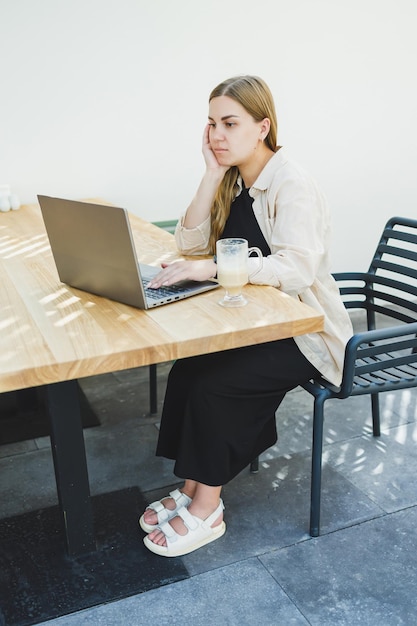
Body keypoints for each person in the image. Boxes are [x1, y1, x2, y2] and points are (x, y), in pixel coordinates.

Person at [140, 75, 353, 557]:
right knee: (191, 371)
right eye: (211, 123)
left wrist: (213, 266)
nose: (217, 133)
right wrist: (211, 174)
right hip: (256, 322)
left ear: (263, 126)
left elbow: (297, 269)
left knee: (218, 386)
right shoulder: (235, 177)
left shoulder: (290, 182)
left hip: (307, 335)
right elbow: (190, 245)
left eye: (230, 123)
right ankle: (194, 487)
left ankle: (207, 508)